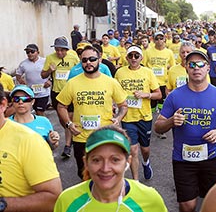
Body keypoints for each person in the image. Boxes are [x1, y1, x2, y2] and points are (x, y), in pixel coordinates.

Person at [154, 50, 216, 212]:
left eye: (200, 64)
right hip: (183, 160)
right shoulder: (175, 96)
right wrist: (171, 121)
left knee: (215, 203)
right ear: (186, 68)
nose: (196, 68)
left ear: (207, 68)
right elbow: (158, 126)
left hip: (211, 158)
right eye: (192, 64)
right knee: (187, 206)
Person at [54, 125, 168, 212]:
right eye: (96, 160)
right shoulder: (67, 201)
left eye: (115, 160)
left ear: (127, 162)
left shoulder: (150, 200)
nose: (105, 168)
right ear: (86, 163)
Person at [56, 45, 128, 179]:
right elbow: (61, 106)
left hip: (104, 135)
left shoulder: (111, 82)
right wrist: (68, 124)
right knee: (84, 174)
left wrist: (118, 118)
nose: (88, 62)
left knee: (105, 172)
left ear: (99, 60)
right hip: (81, 137)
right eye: (84, 60)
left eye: (92, 59)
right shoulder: (72, 83)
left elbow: (123, 105)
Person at [0, 83, 62, 212]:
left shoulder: (31, 140)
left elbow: (53, 199)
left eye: (25, 99)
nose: (21, 103)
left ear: (3, 105)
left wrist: (3, 204)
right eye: (16, 99)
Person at [115, 45, 162, 180]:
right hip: (127, 117)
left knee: (145, 149)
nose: (134, 59)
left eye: (136, 56)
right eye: (131, 56)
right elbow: (115, 92)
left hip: (144, 117)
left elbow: (158, 95)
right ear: (127, 58)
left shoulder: (148, 72)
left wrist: (145, 95)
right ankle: (135, 181)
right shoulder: (120, 73)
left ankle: (146, 162)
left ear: (141, 58)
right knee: (133, 150)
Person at [41, 36, 80, 159]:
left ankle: (67, 146)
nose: (59, 53)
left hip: (71, 92)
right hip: (57, 92)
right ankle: (71, 134)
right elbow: (43, 75)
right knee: (63, 120)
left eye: (62, 50)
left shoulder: (73, 57)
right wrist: (49, 72)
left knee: (69, 118)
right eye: (57, 50)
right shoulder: (50, 58)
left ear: (66, 49)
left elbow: (81, 71)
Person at [9, 85, 59, 149]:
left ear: (33, 101)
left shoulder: (44, 121)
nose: (20, 102)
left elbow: (53, 146)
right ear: (12, 101)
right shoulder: (5, 124)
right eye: (16, 99)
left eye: (25, 99)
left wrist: (53, 141)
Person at [142, 31, 175, 115]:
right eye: (157, 39)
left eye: (161, 38)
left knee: (162, 103)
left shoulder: (169, 52)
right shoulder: (148, 52)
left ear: (164, 39)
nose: (159, 40)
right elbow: (143, 66)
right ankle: (151, 118)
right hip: (151, 82)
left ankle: (162, 117)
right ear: (153, 40)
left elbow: (173, 67)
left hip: (164, 82)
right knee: (152, 103)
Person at [16, 44, 51, 116]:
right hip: (30, 92)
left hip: (43, 91)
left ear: (38, 52)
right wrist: (20, 80)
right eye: (27, 52)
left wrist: (50, 81)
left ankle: (43, 125)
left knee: (39, 111)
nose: (30, 54)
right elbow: (18, 74)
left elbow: (53, 72)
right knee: (30, 112)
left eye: (32, 51)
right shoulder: (23, 64)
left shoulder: (45, 61)